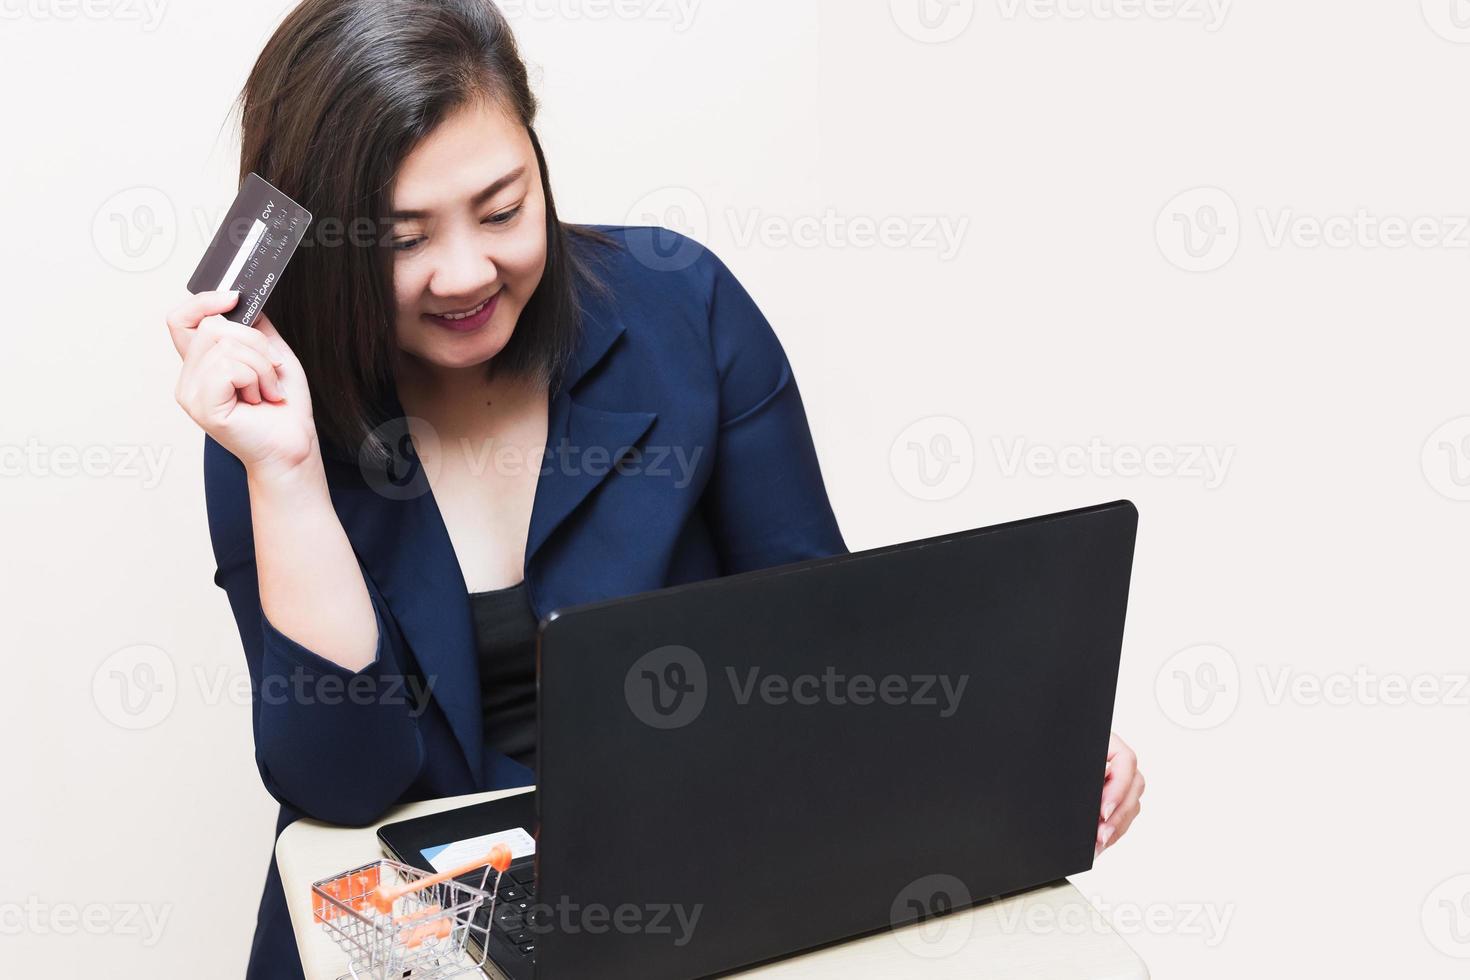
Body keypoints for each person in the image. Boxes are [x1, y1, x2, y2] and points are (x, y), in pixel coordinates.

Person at [164, 1, 1144, 975]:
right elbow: (342, 783)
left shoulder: (683, 308)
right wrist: (287, 474)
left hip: (696, 890)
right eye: (401, 237)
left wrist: (1017, 750)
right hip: (412, 915)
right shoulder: (267, 417)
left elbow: (824, 650)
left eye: (503, 209)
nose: (465, 272)